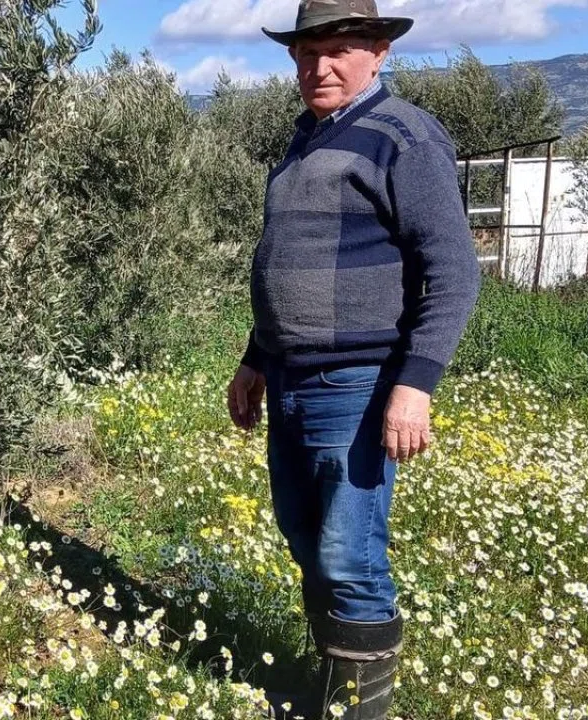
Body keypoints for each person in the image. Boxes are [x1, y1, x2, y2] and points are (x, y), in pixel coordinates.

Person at [225, 1, 481, 718]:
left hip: (359, 384)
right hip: (289, 376)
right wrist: (254, 358)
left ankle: (357, 711)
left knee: (348, 552)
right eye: (308, 53)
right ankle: (329, 694)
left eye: (340, 50)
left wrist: (415, 385)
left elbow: (454, 270)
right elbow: (286, 263)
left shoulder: (405, 137)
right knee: (304, 534)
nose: (321, 67)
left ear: (379, 52)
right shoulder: (304, 139)